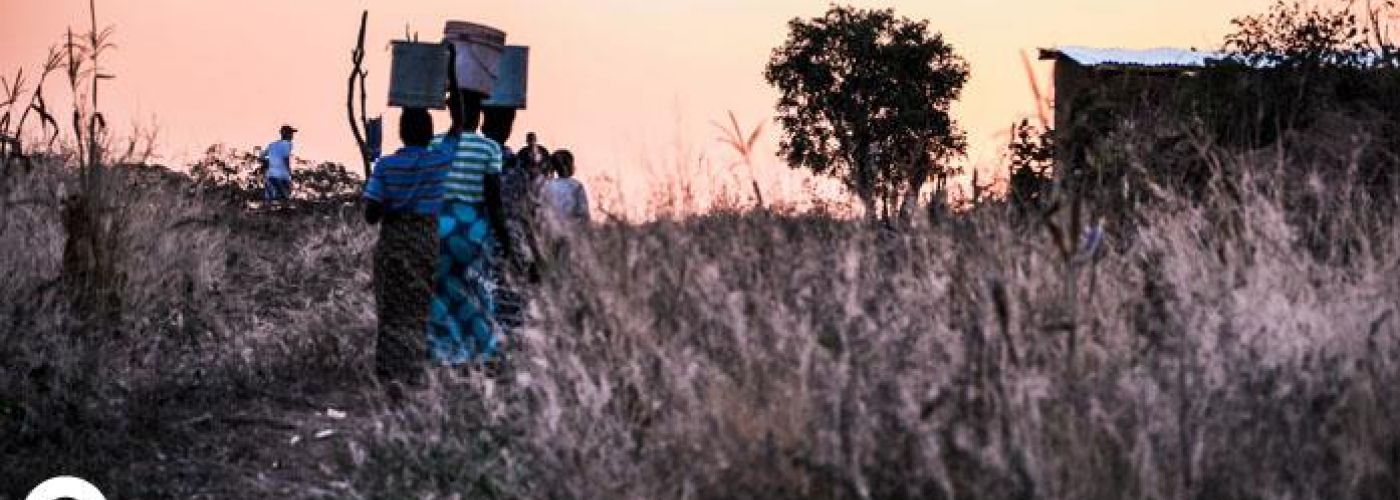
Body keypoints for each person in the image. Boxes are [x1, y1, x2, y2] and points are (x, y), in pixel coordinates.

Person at [362, 108, 450, 389]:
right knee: (422, 309)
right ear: (429, 135)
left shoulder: (386, 166)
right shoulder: (442, 163)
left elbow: (371, 215)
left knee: (390, 311)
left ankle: (388, 376)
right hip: (428, 241)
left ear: (400, 133)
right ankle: (418, 373)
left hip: (394, 241)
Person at [425, 88, 513, 366]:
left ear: (451, 111)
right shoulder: (489, 148)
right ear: (480, 113)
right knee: (476, 290)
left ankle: (442, 353)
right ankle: (479, 353)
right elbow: (494, 201)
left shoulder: (435, 144)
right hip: (472, 227)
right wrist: (505, 241)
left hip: (439, 224)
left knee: (439, 289)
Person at [539, 149, 590, 242]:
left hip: (550, 233)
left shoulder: (546, 185)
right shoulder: (576, 186)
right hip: (572, 234)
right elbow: (583, 214)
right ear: (568, 165)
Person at [260, 125, 296, 204]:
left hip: (270, 175)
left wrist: (269, 163)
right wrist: (290, 172)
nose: (292, 136)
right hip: (282, 176)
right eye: (291, 133)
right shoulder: (288, 144)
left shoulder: (272, 144)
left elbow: (261, 156)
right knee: (285, 198)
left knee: (270, 198)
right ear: (286, 134)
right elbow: (286, 159)